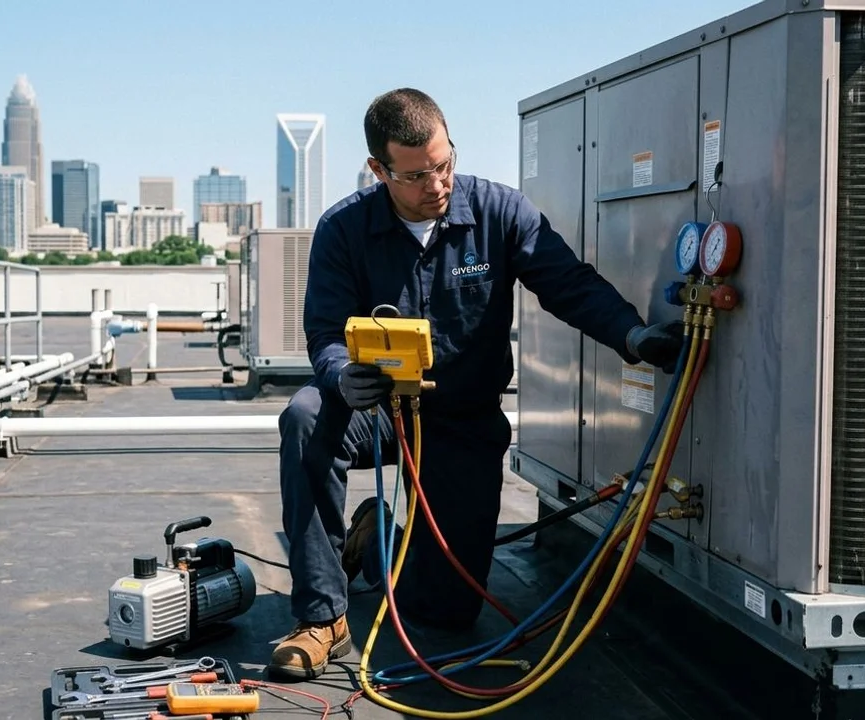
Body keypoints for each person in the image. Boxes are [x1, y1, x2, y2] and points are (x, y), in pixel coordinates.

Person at [267, 88, 681, 680]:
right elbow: (326, 333)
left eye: (444, 164)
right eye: (415, 176)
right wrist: (339, 375)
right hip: (378, 409)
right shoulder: (343, 228)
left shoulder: (499, 212)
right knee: (306, 416)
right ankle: (322, 618)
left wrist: (633, 337)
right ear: (379, 170)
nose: (437, 184)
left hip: (462, 419)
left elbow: (569, 283)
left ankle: (377, 537)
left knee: (447, 613)